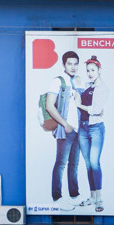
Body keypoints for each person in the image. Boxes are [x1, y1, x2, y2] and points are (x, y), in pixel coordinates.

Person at [47, 51, 82, 209]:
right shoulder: (58, 81)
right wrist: (65, 124)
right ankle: (57, 197)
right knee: (61, 163)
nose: (73, 67)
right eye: (70, 63)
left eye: (75, 63)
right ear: (63, 64)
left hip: (79, 129)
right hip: (65, 130)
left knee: (74, 164)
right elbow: (49, 106)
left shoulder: (79, 81)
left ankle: (74, 194)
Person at [75, 56, 107, 212]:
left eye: (93, 70)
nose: (90, 73)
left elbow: (97, 110)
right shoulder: (87, 86)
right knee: (88, 164)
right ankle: (92, 197)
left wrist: (79, 104)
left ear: (99, 70)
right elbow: (78, 85)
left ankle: (99, 198)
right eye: (88, 70)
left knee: (95, 162)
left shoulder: (103, 88)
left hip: (96, 128)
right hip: (82, 128)